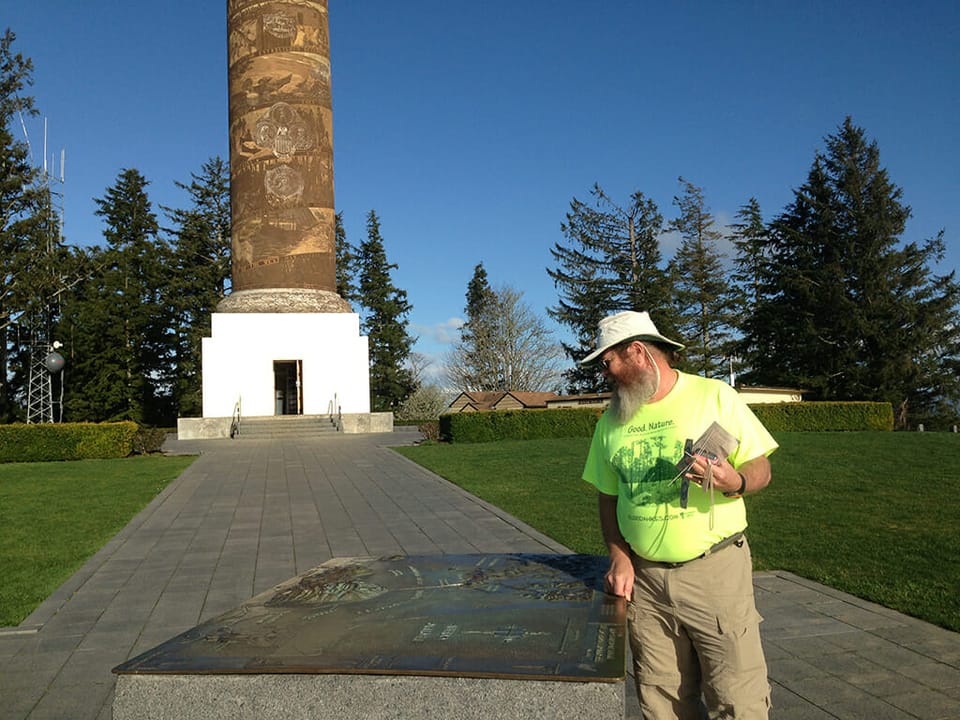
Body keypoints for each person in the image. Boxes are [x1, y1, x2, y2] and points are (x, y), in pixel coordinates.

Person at [580, 310, 777, 720]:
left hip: (716, 573)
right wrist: (618, 555)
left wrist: (734, 481)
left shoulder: (713, 396)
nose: (605, 373)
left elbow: (761, 469)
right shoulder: (610, 421)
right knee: (661, 700)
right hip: (646, 584)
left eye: (608, 361)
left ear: (637, 352)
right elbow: (607, 497)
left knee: (737, 699)